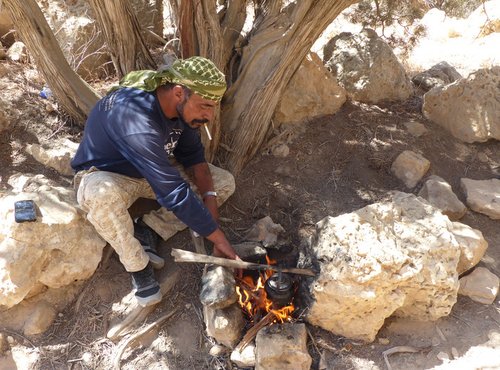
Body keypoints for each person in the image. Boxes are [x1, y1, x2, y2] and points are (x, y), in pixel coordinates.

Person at [71, 56, 239, 307]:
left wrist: (211, 216)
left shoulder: (181, 112)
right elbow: (173, 191)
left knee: (223, 181)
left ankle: (148, 230)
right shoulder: (135, 119)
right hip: (110, 175)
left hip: (155, 169)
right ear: (179, 92)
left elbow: (196, 161)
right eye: (205, 106)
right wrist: (219, 239)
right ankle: (138, 267)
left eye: (212, 107)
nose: (209, 116)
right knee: (100, 196)